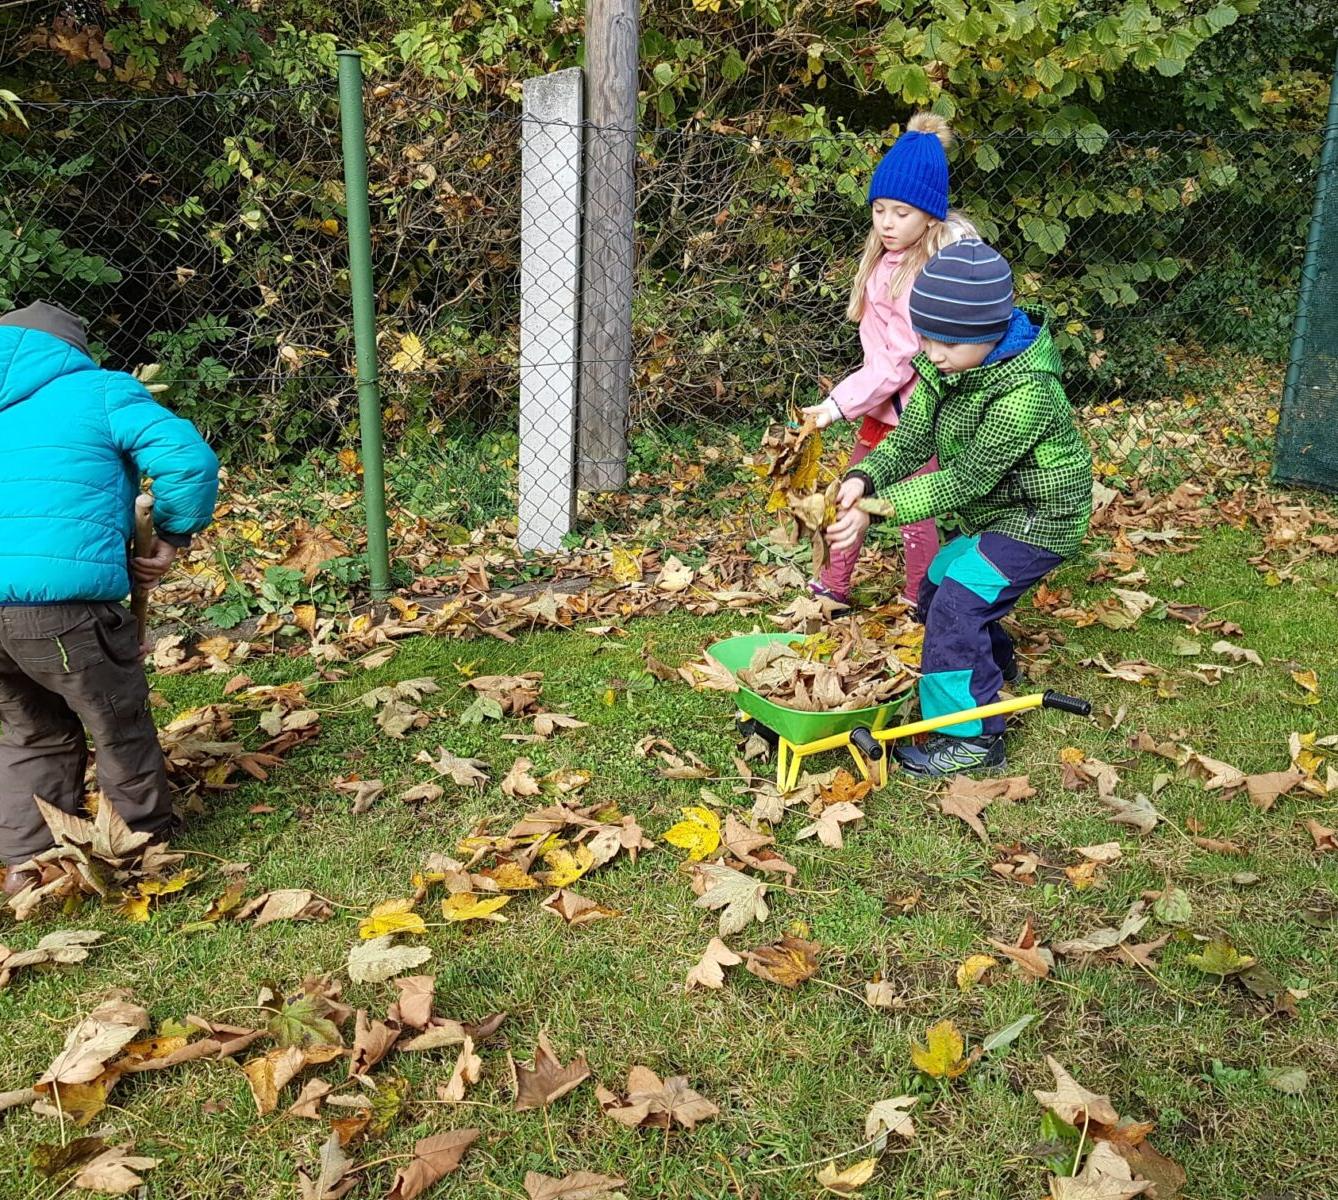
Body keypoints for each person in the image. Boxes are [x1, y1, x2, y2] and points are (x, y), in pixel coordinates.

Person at [826, 240, 1093, 778]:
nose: (931, 350)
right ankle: (988, 669)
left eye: (945, 341)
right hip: (1002, 512)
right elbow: (908, 439)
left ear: (989, 334)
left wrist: (875, 511)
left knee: (958, 602)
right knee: (938, 579)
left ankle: (970, 736)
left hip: (1043, 518)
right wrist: (863, 476)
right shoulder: (943, 368)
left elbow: (966, 478)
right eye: (924, 335)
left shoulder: (1027, 392)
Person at [0, 301, 219, 895]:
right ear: (73, 349)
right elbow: (187, 460)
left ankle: (26, 864)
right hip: (63, 611)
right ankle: (138, 843)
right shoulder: (98, 390)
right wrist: (173, 534)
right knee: (115, 719)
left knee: (29, 731)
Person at [802, 112, 978, 608]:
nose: (886, 222)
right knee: (852, 494)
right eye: (880, 209)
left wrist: (835, 406)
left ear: (929, 215)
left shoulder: (921, 274)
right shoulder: (885, 261)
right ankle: (833, 585)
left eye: (901, 212)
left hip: (916, 416)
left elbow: (898, 362)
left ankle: (921, 596)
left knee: (912, 512)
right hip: (885, 409)